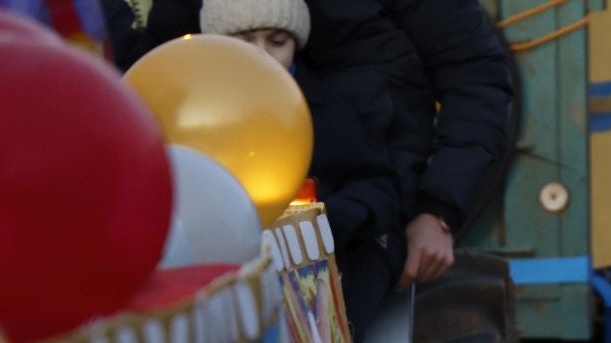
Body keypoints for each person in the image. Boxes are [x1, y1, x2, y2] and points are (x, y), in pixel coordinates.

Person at [108, 0, 513, 290]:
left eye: (274, 40)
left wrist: (437, 210)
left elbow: (474, 74)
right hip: (225, 220)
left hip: (371, 222)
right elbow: (153, 70)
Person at [199, 0, 404, 332]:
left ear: (296, 43)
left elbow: (376, 184)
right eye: (245, 40)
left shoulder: (325, 109)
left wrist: (330, 217)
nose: (262, 54)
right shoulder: (196, 111)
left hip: (314, 267)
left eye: (277, 41)